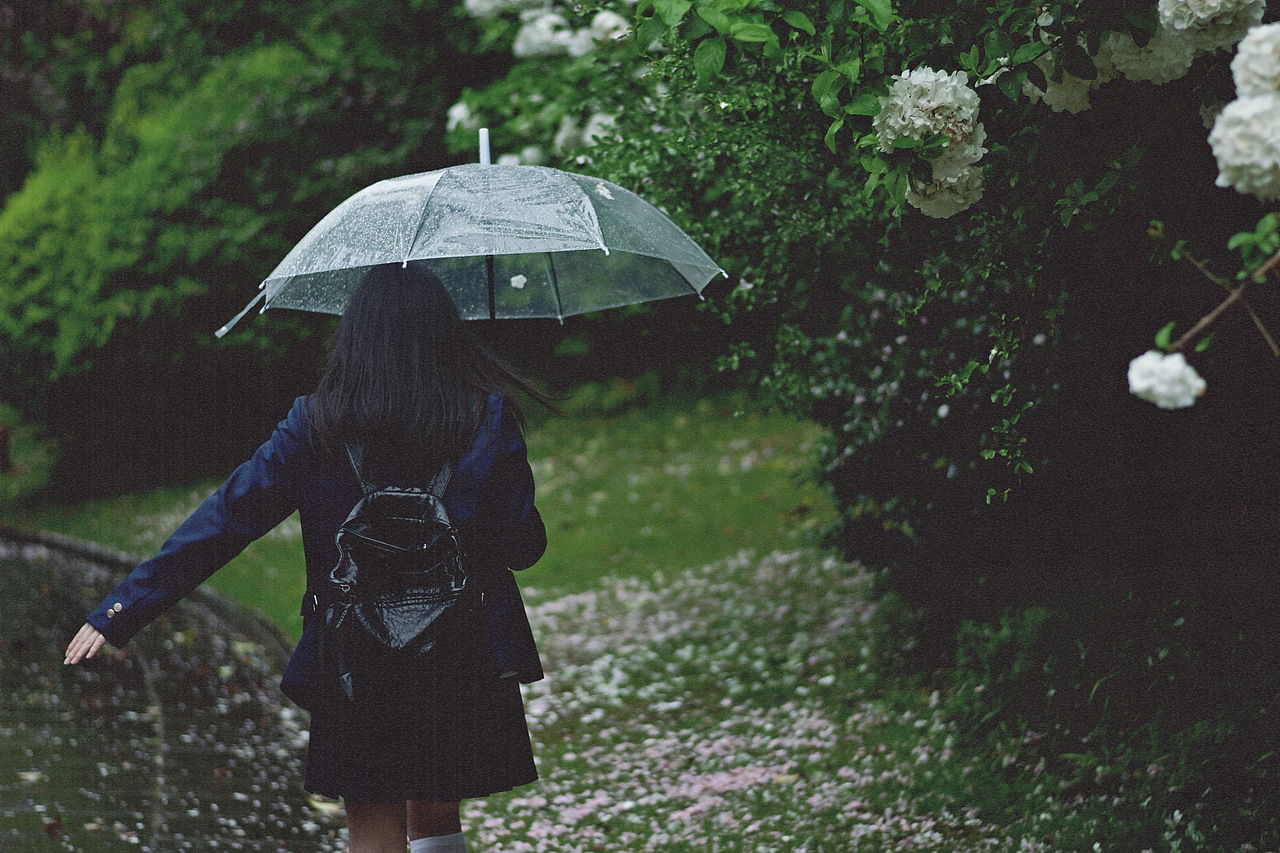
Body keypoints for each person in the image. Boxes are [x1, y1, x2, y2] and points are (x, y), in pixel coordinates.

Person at [64, 263, 552, 853]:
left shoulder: (314, 422)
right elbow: (524, 548)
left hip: (355, 653)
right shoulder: (488, 416)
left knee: (371, 813)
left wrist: (120, 609)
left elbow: (225, 520)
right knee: (437, 808)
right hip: (459, 644)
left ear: (355, 336)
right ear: (444, 331)